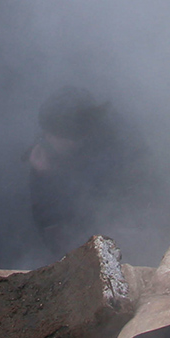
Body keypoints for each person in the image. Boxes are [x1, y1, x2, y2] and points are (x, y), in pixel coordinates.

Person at [26, 86, 155, 260]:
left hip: (123, 234)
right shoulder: (45, 155)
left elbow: (142, 198)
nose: (46, 139)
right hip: (83, 242)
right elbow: (53, 230)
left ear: (78, 136)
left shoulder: (123, 147)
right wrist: (46, 178)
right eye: (46, 132)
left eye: (55, 134)